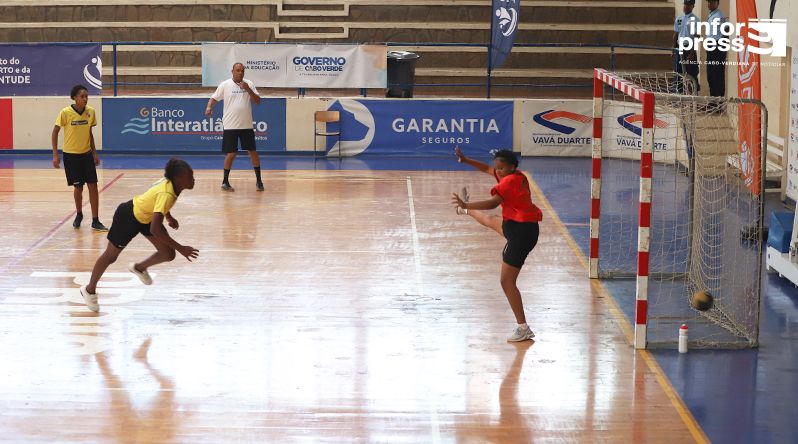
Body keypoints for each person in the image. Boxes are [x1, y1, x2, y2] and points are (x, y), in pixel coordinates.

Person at [80, 158, 199, 312]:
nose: (193, 179)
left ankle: (139, 268)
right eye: (190, 176)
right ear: (178, 179)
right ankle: (89, 290)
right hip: (128, 216)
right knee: (110, 256)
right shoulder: (167, 193)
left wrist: (168, 217)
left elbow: (156, 199)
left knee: (168, 254)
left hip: (146, 217)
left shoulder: (170, 184)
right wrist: (181, 248)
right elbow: (155, 229)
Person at [451, 147, 543, 342]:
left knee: (506, 282)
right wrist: (466, 160)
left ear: (512, 167)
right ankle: (464, 211)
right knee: (489, 220)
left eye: (501, 168)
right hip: (523, 227)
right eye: (497, 168)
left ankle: (523, 328)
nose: (498, 171)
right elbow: (487, 169)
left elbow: (493, 202)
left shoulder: (508, 182)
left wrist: (467, 203)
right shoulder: (517, 176)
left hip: (520, 234)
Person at [51, 84, 108, 231]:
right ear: (74, 98)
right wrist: (55, 154)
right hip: (71, 156)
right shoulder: (65, 113)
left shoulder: (91, 112)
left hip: (86, 155)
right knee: (78, 187)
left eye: (86, 96)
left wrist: (94, 153)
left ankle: (95, 220)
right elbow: (55, 132)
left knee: (93, 186)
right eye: (82, 96)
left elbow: (90, 133)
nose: (85, 99)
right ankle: (79, 214)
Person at [205, 62, 264, 192]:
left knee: (252, 152)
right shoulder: (225, 85)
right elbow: (214, 98)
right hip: (230, 125)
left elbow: (258, 101)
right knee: (231, 153)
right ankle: (225, 182)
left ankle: (259, 181)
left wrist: (248, 89)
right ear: (232, 71)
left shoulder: (249, 84)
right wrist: (209, 107)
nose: (240, 73)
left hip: (246, 125)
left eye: (242, 71)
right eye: (237, 70)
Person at [672, 0, 700, 92]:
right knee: (678, 73)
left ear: (693, 6)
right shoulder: (679, 18)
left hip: (689, 48)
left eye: (688, 5)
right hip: (679, 48)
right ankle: (680, 95)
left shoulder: (695, 20)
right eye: (685, 4)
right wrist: (673, 49)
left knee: (691, 73)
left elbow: (697, 37)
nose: (686, 6)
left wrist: (692, 52)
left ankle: (693, 96)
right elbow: (676, 34)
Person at [706, 0, 727, 97]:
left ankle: (718, 101)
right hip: (712, 46)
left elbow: (726, 30)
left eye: (712, 2)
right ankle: (713, 99)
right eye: (708, 2)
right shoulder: (712, 14)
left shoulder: (718, 16)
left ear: (717, 3)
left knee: (717, 74)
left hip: (717, 47)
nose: (709, 4)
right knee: (711, 75)